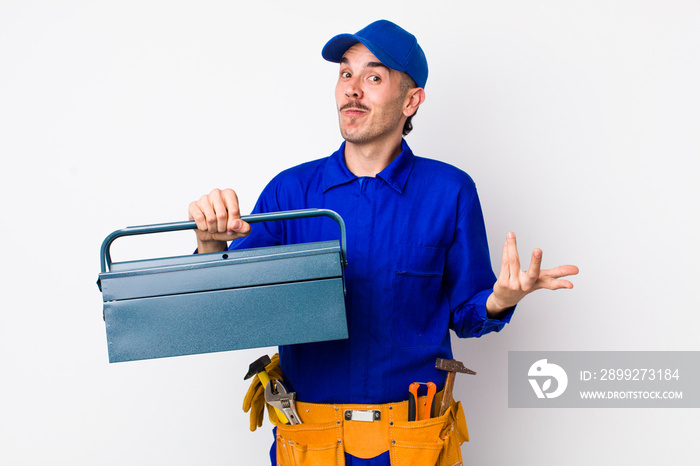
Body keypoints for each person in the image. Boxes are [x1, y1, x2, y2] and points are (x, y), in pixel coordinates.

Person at [188, 19, 578, 466]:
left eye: (373, 77)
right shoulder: (289, 193)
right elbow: (228, 312)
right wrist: (209, 247)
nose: (353, 89)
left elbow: (466, 316)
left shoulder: (449, 191)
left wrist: (498, 301)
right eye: (345, 73)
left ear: (411, 100)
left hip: (415, 441)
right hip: (310, 442)